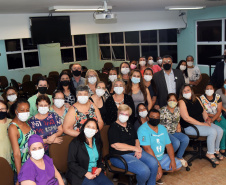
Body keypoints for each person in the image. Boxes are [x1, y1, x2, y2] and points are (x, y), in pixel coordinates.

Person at [108, 104, 158, 185]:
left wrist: (137, 149)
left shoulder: (129, 125)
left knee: (154, 163)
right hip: (119, 156)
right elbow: (115, 145)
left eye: (126, 114)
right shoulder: (113, 127)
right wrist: (134, 148)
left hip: (133, 151)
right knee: (144, 171)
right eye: (122, 114)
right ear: (118, 113)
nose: (124, 116)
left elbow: (136, 139)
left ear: (129, 115)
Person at [179, 84, 223, 164]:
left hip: (201, 123)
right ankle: (210, 153)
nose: (186, 92)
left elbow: (203, 111)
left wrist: (207, 119)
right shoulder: (181, 101)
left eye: (188, 90)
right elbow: (186, 118)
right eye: (184, 91)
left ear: (191, 91)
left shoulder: (196, 98)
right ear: (181, 93)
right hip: (190, 126)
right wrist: (202, 124)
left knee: (220, 130)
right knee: (212, 131)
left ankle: (216, 150)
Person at [138, 109, 182, 184]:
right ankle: (153, 174)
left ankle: (156, 173)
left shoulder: (162, 128)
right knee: (147, 172)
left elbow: (168, 145)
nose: (155, 119)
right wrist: (158, 166)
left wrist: (172, 160)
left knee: (178, 165)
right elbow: (147, 148)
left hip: (161, 157)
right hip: (149, 159)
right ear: (148, 118)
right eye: (152, 117)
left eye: (157, 117)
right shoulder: (142, 129)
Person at [67, 118, 113, 185]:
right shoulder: (75, 143)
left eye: (93, 128)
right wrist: (85, 173)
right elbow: (71, 163)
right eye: (88, 126)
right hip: (79, 174)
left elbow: (100, 161)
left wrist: (100, 168)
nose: (90, 129)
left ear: (96, 131)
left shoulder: (98, 142)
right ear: (84, 128)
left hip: (95, 172)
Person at [8, 98, 34, 185]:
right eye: (22, 110)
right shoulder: (13, 127)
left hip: (32, 163)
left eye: (27, 110)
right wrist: (20, 176)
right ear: (16, 111)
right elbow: (17, 153)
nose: (25, 112)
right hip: (22, 167)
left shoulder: (26, 122)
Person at [160, 93, 189, 167]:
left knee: (186, 139)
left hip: (174, 131)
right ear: (167, 101)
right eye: (170, 100)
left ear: (177, 101)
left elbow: (177, 120)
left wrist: (179, 125)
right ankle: (168, 157)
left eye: (174, 100)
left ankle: (179, 157)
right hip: (165, 132)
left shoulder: (177, 109)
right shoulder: (162, 110)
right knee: (176, 142)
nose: (172, 102)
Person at [200, 83, 226, 156]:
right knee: (223, 130)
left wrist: (215, 117)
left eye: (211, 89)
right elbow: (202, 111)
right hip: (207, 118)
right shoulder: (201, 98)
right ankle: (222, 149)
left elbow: (219, 110)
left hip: (218, 116)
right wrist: (213, 117)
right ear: (205, 90)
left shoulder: (218, 97)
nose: (209, 90)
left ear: (213, 90)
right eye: (207, 89)